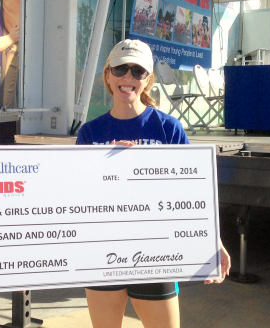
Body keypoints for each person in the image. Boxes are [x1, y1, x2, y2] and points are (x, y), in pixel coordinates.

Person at [76, 39, 231, 328]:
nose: (128, 78)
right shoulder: (90, 132)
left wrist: (214, 241)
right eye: (121, 69)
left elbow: (192, 192)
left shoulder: (168, 128)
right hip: (103, 249)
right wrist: (106, 165)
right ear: (108, 74)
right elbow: (78, 197)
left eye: (138, 71)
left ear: (147, 80)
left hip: (155, 252)